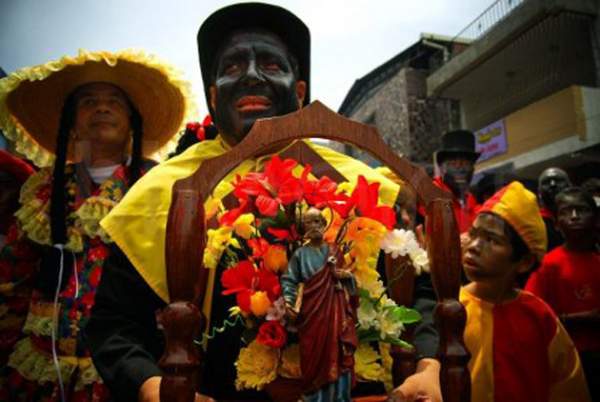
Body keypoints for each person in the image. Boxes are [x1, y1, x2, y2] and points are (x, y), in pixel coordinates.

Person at [87, 4, 442, 402]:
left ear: (301, 91)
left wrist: (430, 367)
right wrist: (154, 387)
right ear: (214, 95)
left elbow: (426, 295)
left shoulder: (361, 184)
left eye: (272, 65)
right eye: (234, 66)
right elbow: (112, 326)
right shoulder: (162, 191)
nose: (253, 76)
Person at [0, 50, 192, 401]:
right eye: (89, 101)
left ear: (133, 121)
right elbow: (13, 280)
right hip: (39, 366)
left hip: (128, 368)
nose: (102, 108)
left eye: (114, 101)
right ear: (71, 122)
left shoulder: (160, 183)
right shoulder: (42, 190)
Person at [460, 181, 590, 402]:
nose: (473, 246)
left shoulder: (540, 317)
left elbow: (568, 387)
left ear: (524, 261)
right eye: (473, 234)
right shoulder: (452, 308)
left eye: (491, 239)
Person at [525, 187, 600, 401]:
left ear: (595, 218)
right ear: (557, 223)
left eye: (581, 210)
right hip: (572, 359)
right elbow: (533, 315)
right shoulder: (549, 264)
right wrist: (583, 318)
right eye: (567, 211)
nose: (574, 216)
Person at [281, 208, 357, 402]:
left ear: (324, 225)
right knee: (312, 354)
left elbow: (342, 276)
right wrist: (290, 302)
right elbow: (289, 280)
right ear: (303, 227)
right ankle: (314, 397)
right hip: (311, 313)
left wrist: (344, 276)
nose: (314, 226)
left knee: (337, 349)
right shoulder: (299, 254)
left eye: (317, 222)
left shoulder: (334, 250)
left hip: (334, 308)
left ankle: (338, 396)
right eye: (309, 223)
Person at [433, 130, 481, 233]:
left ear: (473, 169)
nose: (460, 170)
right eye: (453, 164)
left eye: (465, 164)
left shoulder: (474, 204)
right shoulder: (430, 196)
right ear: (442, 169)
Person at [537, 167, 571, 251]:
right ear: (539, 191)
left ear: (569, 186)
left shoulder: (582, 214)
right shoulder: (535, 221)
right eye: (546, 182)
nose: (552, 184)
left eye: (558, 180)